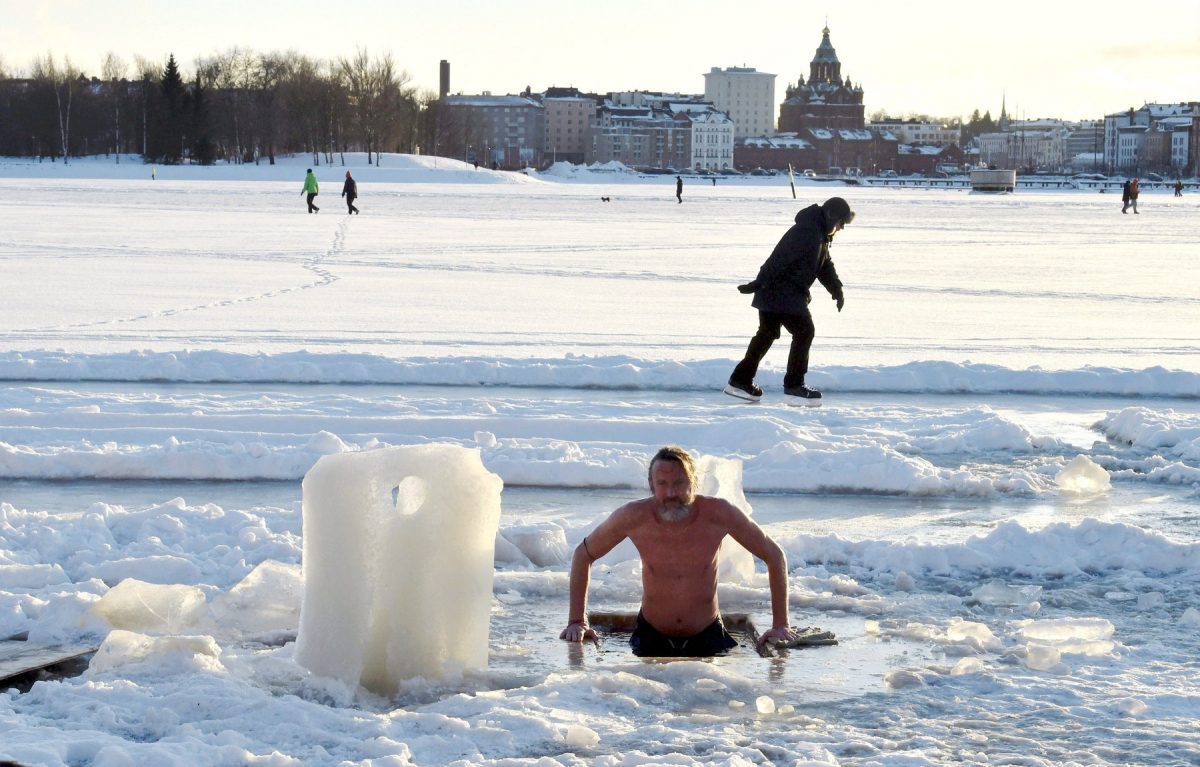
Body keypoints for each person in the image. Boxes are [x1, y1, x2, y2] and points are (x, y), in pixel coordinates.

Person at [559, 446, 797, 656]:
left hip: (708, 633)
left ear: (693, 482)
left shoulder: (719, 513)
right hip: (650, 635)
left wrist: (780, 624)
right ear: (652, 485)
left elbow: (774, 555)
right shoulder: (633, 516)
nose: (671, 493)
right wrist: (577, 621)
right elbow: (583, 554)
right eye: (662, 484)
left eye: (679, 483)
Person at [724, 197, 853, 404]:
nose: (842, 228)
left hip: (779, 293)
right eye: (841, 223)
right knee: (804, 331)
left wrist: (836, 288)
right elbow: (779, 259)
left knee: (767, 334)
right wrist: (758, 283)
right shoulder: (807, 232)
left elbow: (824, 264)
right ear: (831, 216)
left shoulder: (819, 234)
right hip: (781, 292)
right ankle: (794, 385)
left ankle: (740, 380)